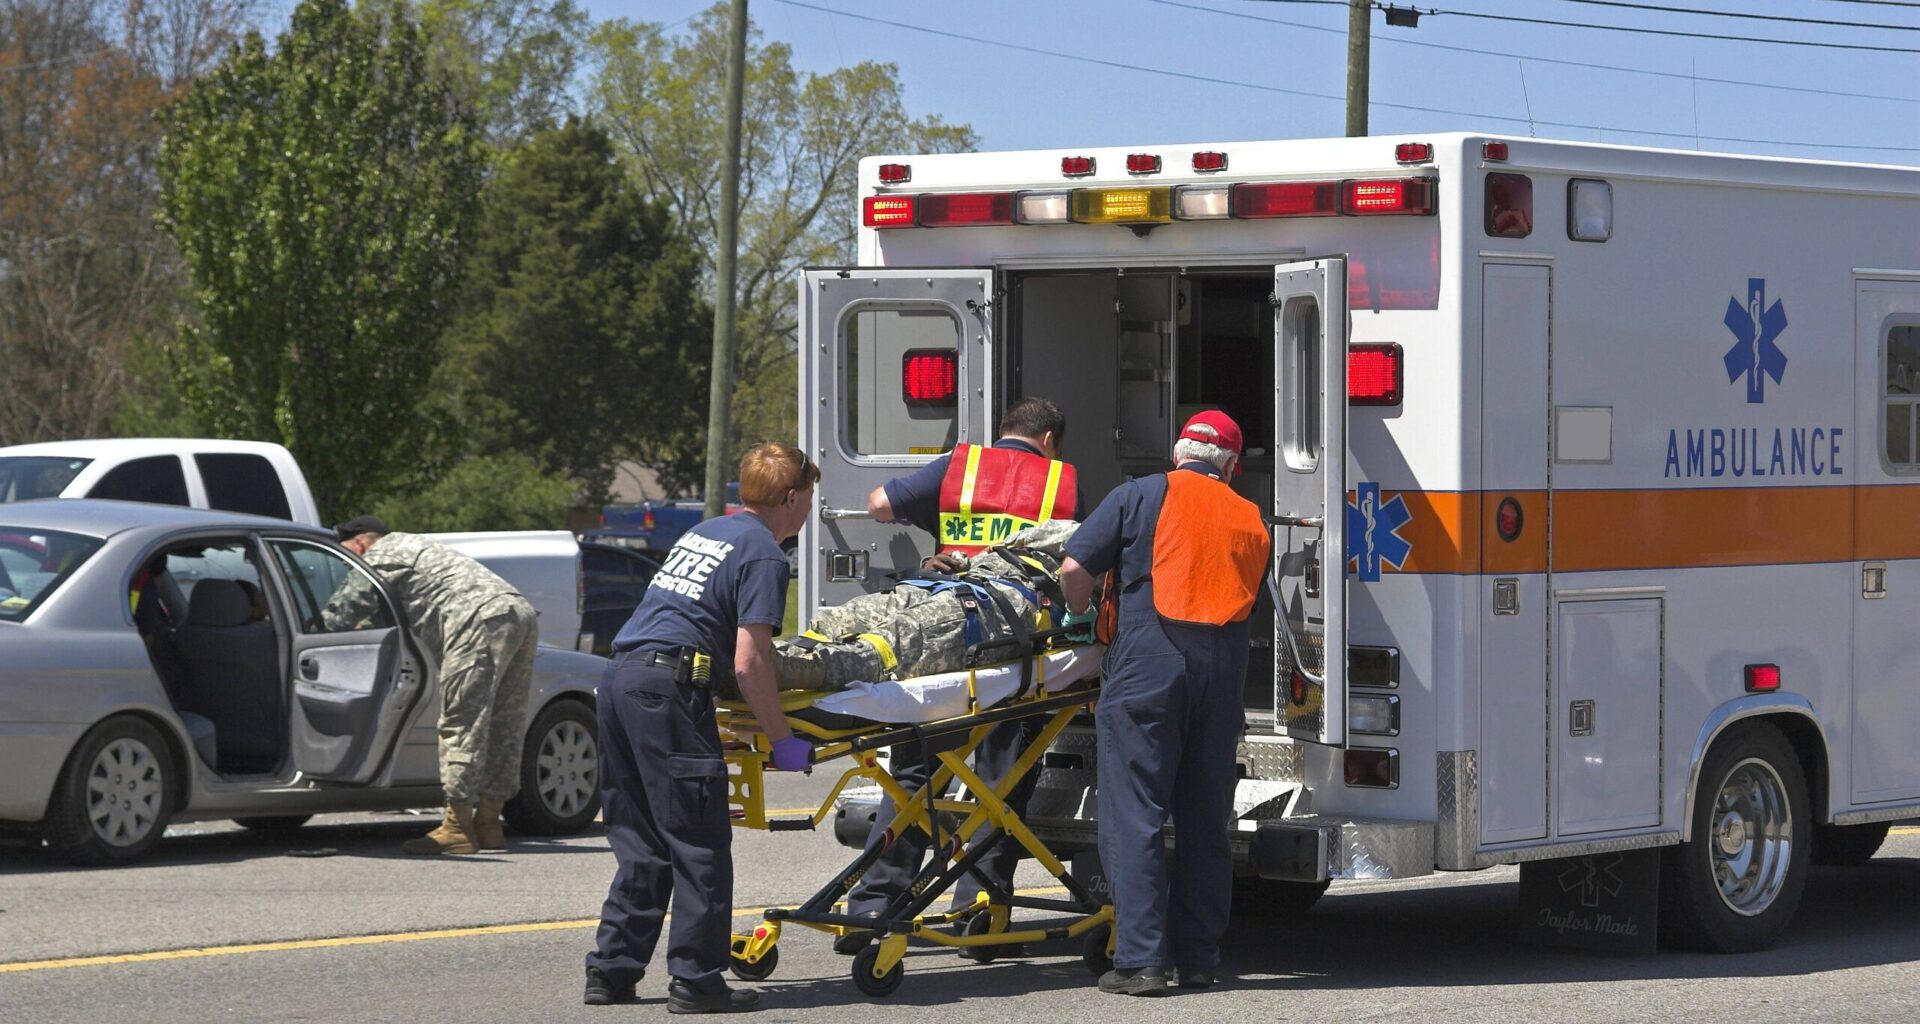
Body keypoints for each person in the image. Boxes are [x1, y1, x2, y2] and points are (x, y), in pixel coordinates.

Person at [839, 397, 1083, 957]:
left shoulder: (960, 467)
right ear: (1049, 440)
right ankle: (979, 914)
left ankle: (874, 906)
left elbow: (878, 504)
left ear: (1005, 433)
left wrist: (939, 523)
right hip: (1012, 651)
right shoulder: (1062, 482)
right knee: (1001, 783)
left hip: (945, 642)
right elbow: (1076, 561)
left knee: (912, 780)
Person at [584, 443, 817, 1014]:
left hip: (620, 683)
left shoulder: (709, 531)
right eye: (809, 498)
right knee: (698, 842)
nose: (810, 509)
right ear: (790, 498)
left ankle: (612, 973)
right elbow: (750, 660)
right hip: (667, 692)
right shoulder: (765, 553)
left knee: (641, 843)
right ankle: (696, 980)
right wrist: (781, 738)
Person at [1057, 410, 1271, 996]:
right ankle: (1200, 958)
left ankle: (1142, 962)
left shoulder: (1140, 495)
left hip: (1149, 663)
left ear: (1178, 454)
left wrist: (1080, 621)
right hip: (1222, 672)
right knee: (1205, 819)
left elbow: (1075, 569)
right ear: (1228, 466)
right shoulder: (1251, 518)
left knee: (1136, 813)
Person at [327, 516, 539, 856]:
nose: (348, 565)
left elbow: (343, 613)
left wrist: (309, 628)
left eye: (347, 555)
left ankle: (456, 828)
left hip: (477, 619)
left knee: (461, 722)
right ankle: (487, 823)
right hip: (518, 611)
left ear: (360, 543)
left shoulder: (379, 556)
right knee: (504, 722)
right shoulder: (417, 544)